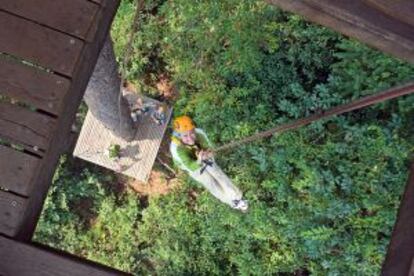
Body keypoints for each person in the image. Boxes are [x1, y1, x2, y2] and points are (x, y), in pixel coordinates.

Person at [170, 115, 248, 211]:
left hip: (203, 155)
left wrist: (208, 153)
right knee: (211, 183)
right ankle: (231, 202)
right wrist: (199, 160)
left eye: (191, 133)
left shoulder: (199, 133)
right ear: (179, 136)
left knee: (218, 174)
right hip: (192, 167)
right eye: (185, 136)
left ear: (194, 130)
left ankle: (237, 197)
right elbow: (190, 165)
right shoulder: (176, 149)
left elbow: (209, 147)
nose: (190, 138)